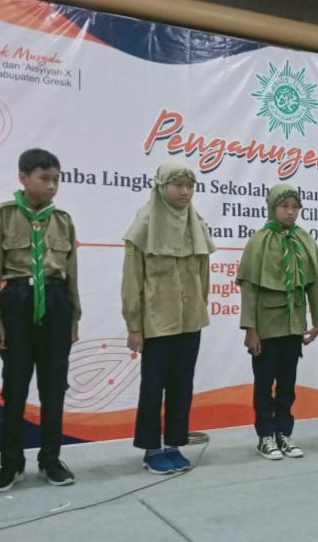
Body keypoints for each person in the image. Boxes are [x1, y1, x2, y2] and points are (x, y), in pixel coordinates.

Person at [0, 149, 81, 492]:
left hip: (55, 302)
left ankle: (50, 459)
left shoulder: (63, 220)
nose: (52, 186)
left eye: (56, 179)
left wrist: (74, 316)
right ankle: (11, 463)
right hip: (17, 302)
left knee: (54, 385)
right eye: (44, 178)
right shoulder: (1, 217)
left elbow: (71, 276)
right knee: (16, 385)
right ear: (23, 177)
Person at [122, 160, 214, 474]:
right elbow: (132, 280)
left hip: (190, 321)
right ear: (162, 187)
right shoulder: (144, 223)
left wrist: (201, 308)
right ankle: (151, 449)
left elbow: (204, 274)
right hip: (156, 323)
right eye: (178, 185)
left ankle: (174, 444)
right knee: (153, 387)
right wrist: (134, 326)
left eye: (190, 186)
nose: (185, 192)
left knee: (182, 384)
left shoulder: (196, 223)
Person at [237, 183, 318, 460]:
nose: (290, 212)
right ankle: (265, 435)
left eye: (294, 207)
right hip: (266, 325)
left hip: (293, 323)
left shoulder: (304, 239)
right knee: (264, 382)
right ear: (272, 207)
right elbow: (250, 288)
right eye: (284, 207)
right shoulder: (259, 240)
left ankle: (284, 433)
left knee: (288, 383)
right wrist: (251, 330)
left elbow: (313, 283)